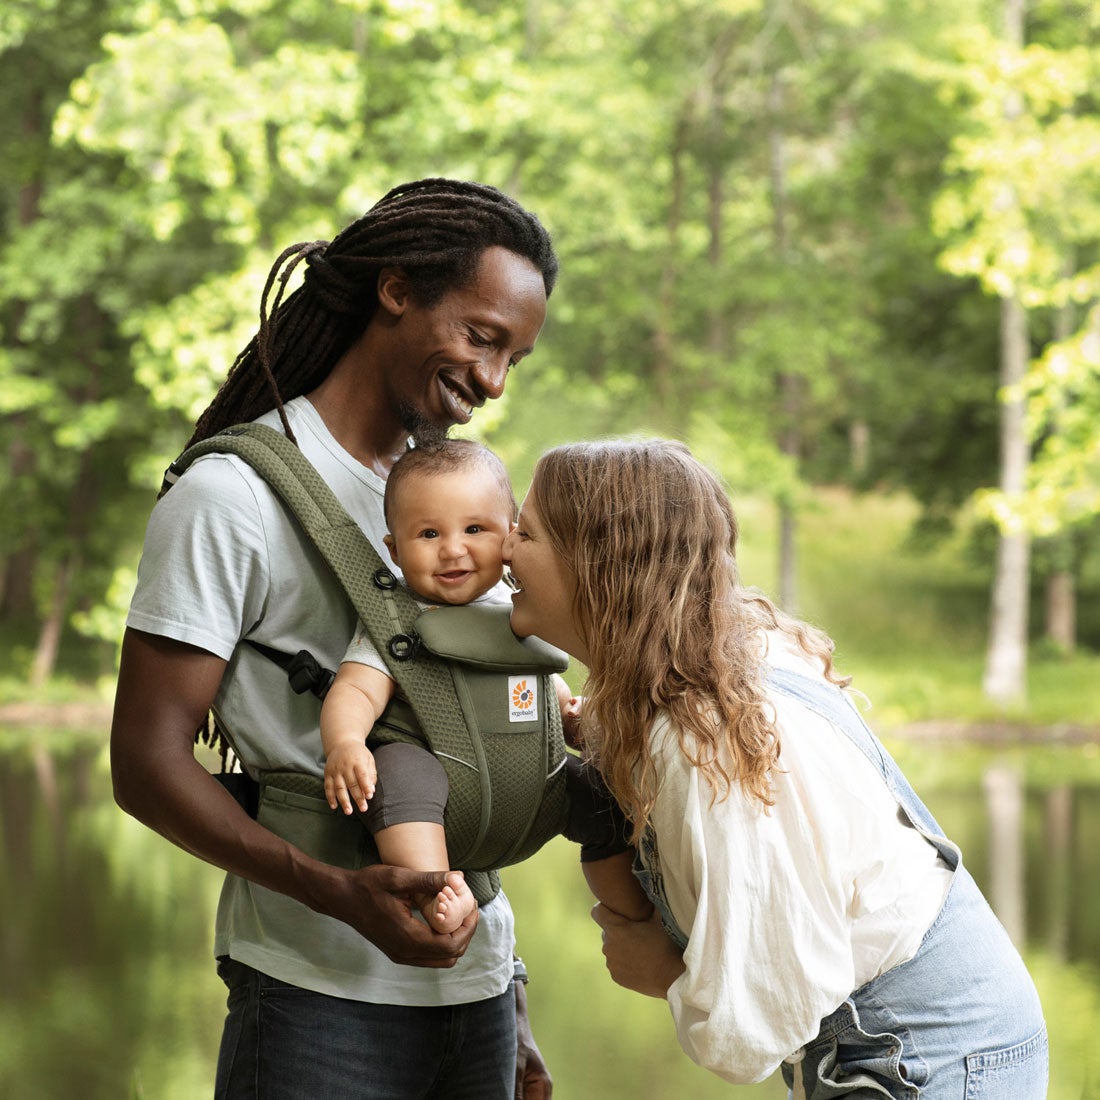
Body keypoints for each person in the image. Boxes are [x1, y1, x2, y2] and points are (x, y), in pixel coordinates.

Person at [110, 179, 562, 1099]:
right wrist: (335, 893)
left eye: (514, 357)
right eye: (481, 338)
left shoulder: (457, 502)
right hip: (315, 998)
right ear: (396, 291)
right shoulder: (232, 498)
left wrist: (509, 1000)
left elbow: (470, 728)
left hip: (475, 999)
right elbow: (144, 765)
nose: (492, 381)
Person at [501, 438, 1049, 1099]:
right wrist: (600, 726)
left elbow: (760, 1024)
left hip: (927, 1064)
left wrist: (666, 974)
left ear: (595, 563)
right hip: (940, 1048)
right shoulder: (723, 671)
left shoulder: (707, 749)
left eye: (524, 532)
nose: (502, 548)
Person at [319, 438, 652, 935]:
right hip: (441, 791)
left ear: (511, 535)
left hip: (535, 785)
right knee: (397, 775)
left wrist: (569, 715)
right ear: (394, 548)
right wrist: (345, 743)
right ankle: (442, 892)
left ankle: (631, 915)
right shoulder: (397, 619)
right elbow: (356, 690)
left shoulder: (520, 606)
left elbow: (536, 677)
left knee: (606, 801)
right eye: (428, 533)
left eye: (475, 529)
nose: (453, 549)